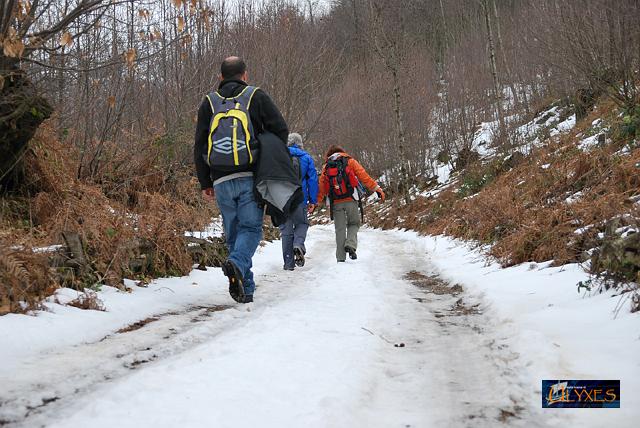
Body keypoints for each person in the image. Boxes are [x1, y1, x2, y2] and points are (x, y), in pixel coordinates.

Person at [194, 56, 288, 304]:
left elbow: (199, 145)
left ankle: (245, 288)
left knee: (234, 232)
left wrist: (205, 182)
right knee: (251, 229)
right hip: (249, 177)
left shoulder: (209, 103)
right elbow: (281, 129)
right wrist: (267, 153)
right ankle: (236, 263)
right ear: (245, 75)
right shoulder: (256, 96)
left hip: (221, 180)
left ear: (221, 77)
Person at [315, 145, 385, 262]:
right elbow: (364, 176)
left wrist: (316, 202)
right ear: (342, 152)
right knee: (354, 223)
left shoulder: (326, 166)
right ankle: (351, 245)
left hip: (336, 202)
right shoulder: (350, 161)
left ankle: (340, 258)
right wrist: (376, 188)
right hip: (351, 199)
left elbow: (322, 187)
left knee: (340, 229)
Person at [279, 133, 318, 270]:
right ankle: (298, 244)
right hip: (300, 198)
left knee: (286, 231)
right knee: (302, 223)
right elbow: (313, 181)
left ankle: (288, 264)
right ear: (300, 143)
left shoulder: (279, 156)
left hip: (282, 199)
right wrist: (313, 201)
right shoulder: (306, 158)